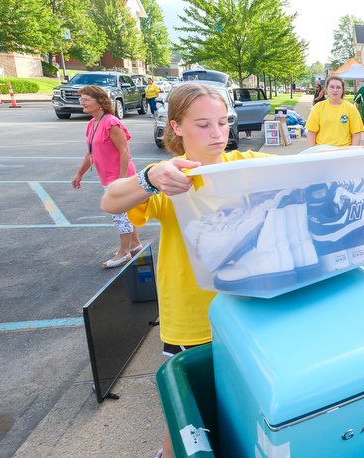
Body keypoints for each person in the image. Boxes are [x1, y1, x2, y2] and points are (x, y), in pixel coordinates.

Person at [101, 83, 274, 458]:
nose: (217, 134)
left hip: (247, 309)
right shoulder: (169, 179)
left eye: (223, 122)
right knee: (186, 416)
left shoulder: (243, 164)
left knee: (239, 409)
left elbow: (301, 167)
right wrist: (150, 178)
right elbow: (110, 200)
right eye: (203, 125)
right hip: (194, 317)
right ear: (176, 126)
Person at [72, 85, 142, 269]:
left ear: (100, 102)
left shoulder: (111, 122)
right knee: (126, 213)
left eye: (87, 99)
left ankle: (124, 252)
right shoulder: (93, 123)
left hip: (119, 177)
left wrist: (120, 181)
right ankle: (135, 245)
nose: (82, 102)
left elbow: (125, 153)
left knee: (120, 214)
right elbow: (90, 152)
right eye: (82, 99)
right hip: (108, 177)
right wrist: (80, 173)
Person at [305, 75, 363, 147]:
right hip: (322, 151)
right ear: (326, 89)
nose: (335, 90)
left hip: (343, 152)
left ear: (342, 90)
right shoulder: (318, 107)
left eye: (338, 87)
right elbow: (311, 132)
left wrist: (352, 152)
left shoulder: (351, 108)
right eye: (331, 87)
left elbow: (356, 134)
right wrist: (311, 153)